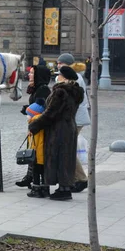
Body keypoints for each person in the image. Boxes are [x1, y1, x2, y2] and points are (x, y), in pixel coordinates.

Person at [28, 66, 84, 201]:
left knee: (58, 157)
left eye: (59, 75)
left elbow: (51, 113)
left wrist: (35, 124)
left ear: (64, 77)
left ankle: (63, 190)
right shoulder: (75, 91)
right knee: (66, 157)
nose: (57, 77)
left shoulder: (60, 92)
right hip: (69, 126)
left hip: (58, 129)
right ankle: (65, 187)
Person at [56, 53, 90, 193]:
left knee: (68, 148)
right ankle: (76, 178)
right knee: (68, 147)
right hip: (77, 117)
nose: (58, 65)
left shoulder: (73, 78)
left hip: (75, 118)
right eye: (58, 63)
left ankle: (80, 179)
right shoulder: (76, 76)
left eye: (61, 63)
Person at [16, 65, 51, 188]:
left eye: (32, 73)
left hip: (38, 125)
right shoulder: (37, 88)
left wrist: (29, 110)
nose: (29, 75)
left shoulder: (43, 89)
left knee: (36, 153)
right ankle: (30, 176)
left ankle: (36, 180)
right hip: (33, 123)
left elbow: (42, 108)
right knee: (32, 150)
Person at [25, 98, 48, 198]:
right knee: (43, 172)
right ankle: (45, 189)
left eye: (28, 114)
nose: (27, 116)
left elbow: (34, 142)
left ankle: (36, 189)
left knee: (36, 172)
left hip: (37, 154)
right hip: (43, 153)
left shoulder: (35, 123)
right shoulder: (42, 120)